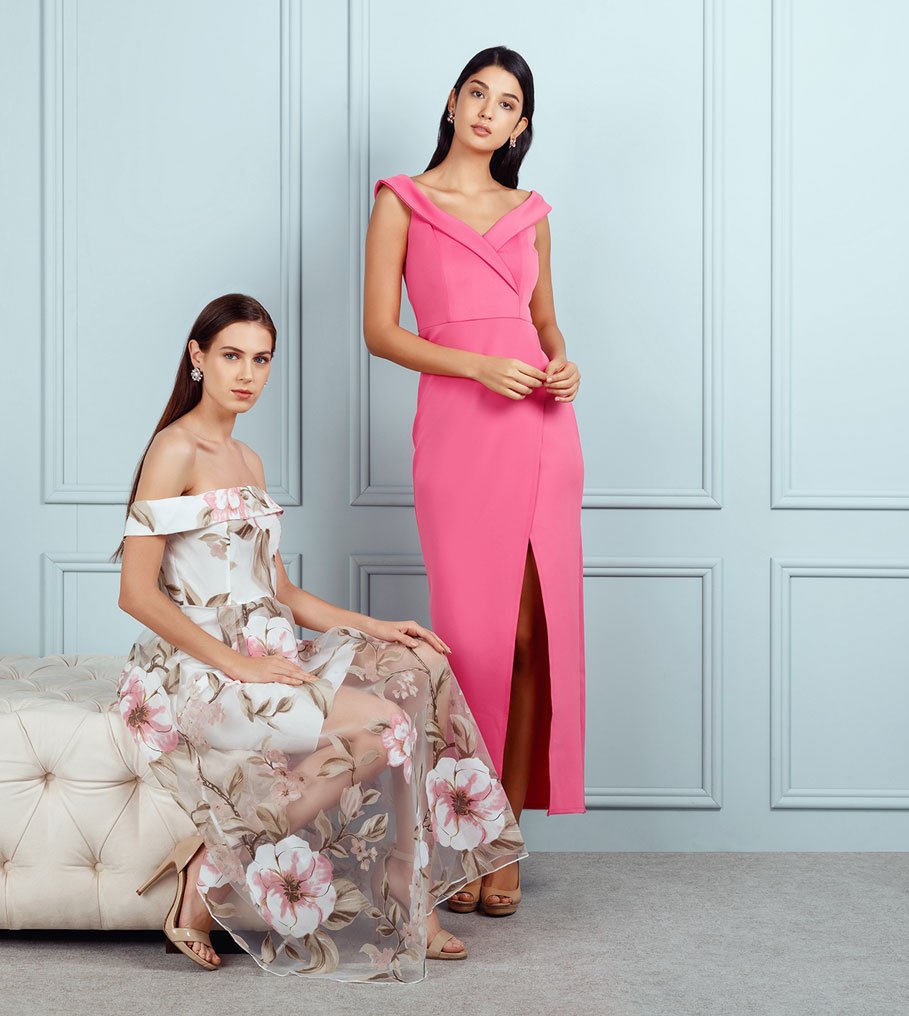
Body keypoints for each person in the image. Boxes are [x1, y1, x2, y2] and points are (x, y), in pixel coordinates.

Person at [113, 293, 525, 982]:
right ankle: (216, 863)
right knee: (389, 728)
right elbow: (135, 593)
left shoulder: (248, 459)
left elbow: (283, 593)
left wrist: (376, 625)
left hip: (267, 652)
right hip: (202, 670)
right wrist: (240, 667)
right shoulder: (174, 448)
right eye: (231, 356)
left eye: (261, 359)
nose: (247, 374)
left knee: (419, 662)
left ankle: (406, 877)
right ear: (197, 358)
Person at [362, 46, 586, 918]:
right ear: (452, 103)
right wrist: (476, 367)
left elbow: (546, 324)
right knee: (473, 643)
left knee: (531, 638)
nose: (490, 111)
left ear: (521, 126)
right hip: (460, 431)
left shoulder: (532, 214)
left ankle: (507, 840)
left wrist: (563, 365)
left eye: (508, 103)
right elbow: (382, 332)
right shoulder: (401, 200)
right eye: (478, 93)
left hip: (542, 430)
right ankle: (466, 836)